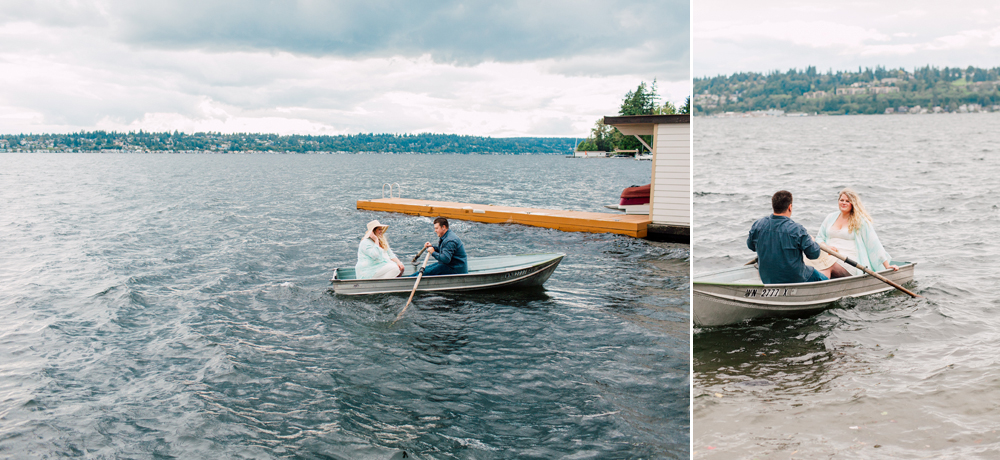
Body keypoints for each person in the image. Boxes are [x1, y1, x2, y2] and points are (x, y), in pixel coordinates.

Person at [812, 188, 898, 277]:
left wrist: (887, 266)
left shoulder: (860, 221)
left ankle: (822, 286)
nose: (844, 203)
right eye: (841, 200)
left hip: (851, 261)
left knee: (828, 263)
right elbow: (819, 238)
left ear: (853, 204)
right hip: (829, 256)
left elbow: (874, 244)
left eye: (847, 201)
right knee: (807, 258)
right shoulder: (830, 217)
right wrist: (827, 247)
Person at [747, 190, 828, 284]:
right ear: (790, 207)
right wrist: (812, 241)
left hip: (767, 278)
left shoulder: (758, 225)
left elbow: (751, 246)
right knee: (822, 278)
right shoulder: (797, 230)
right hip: (795, 278)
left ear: (773, 206)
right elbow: (814, 254)